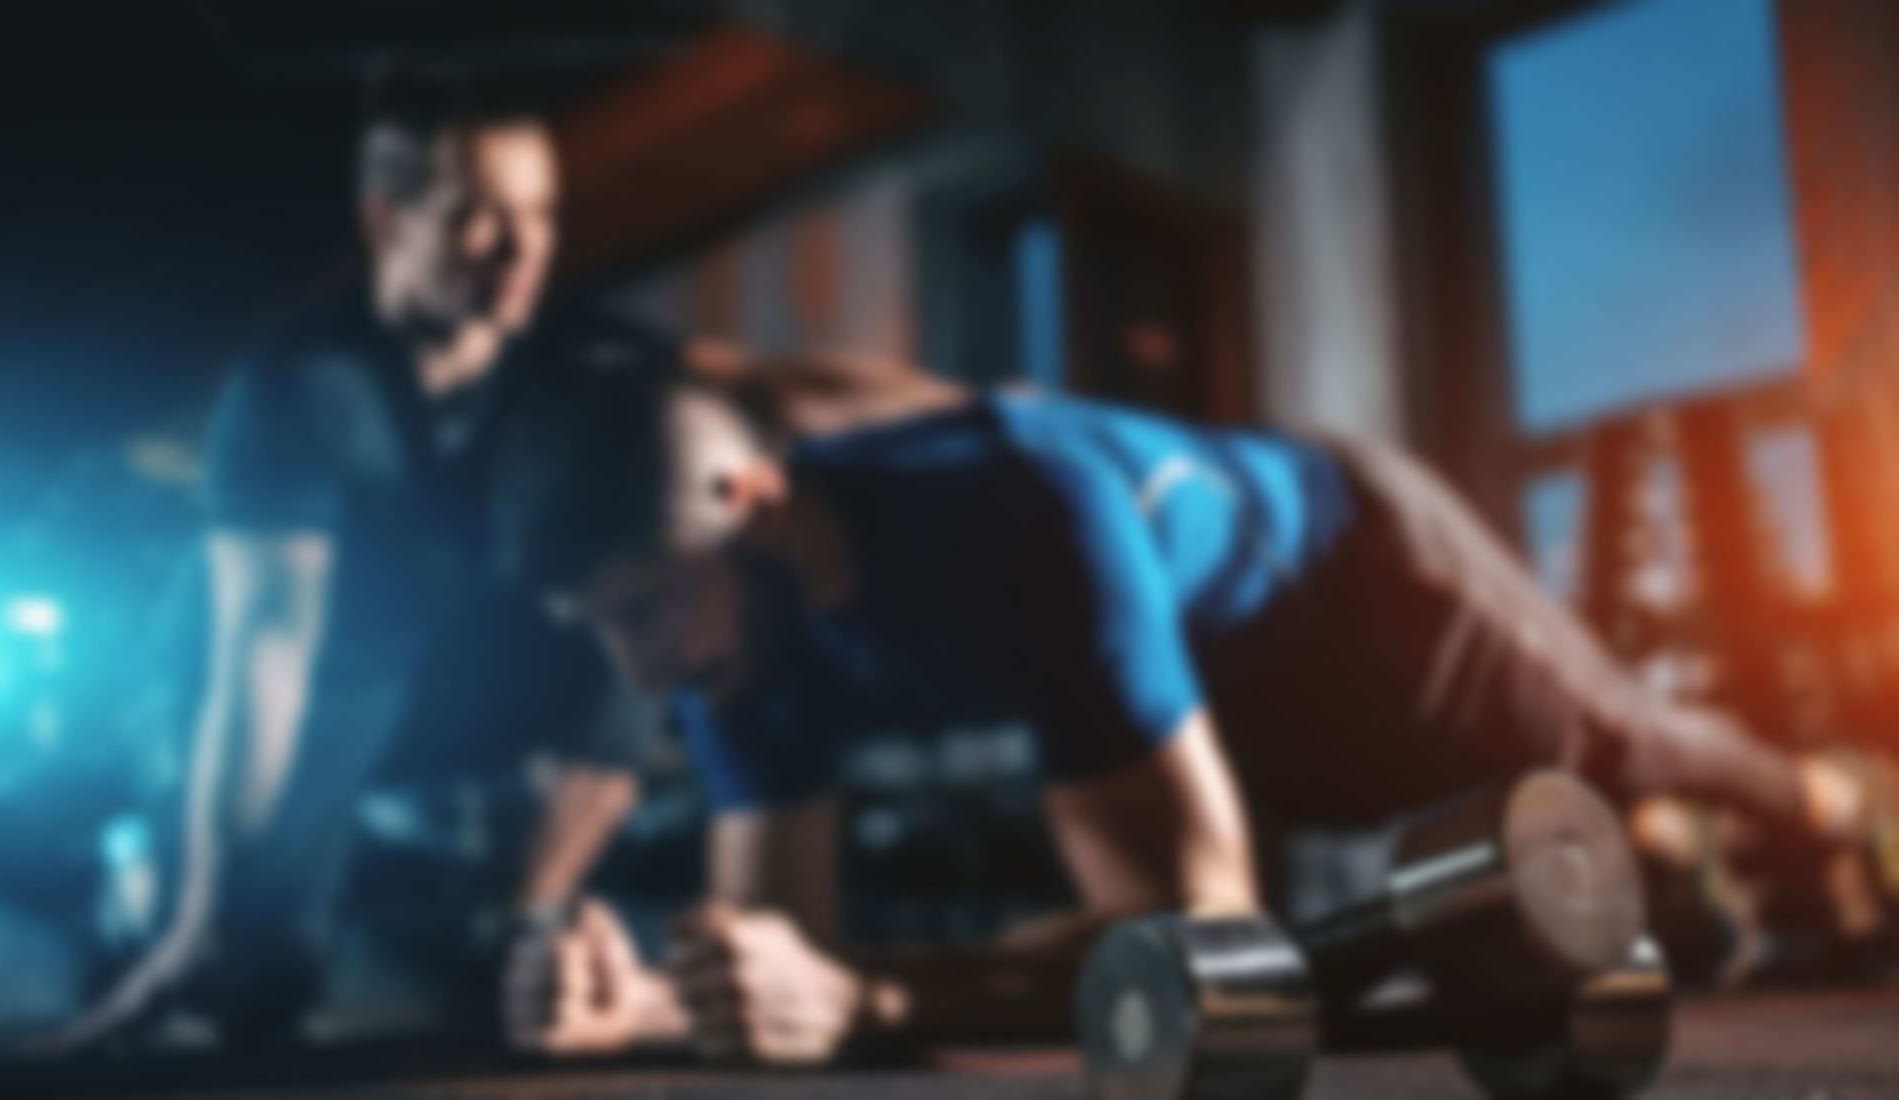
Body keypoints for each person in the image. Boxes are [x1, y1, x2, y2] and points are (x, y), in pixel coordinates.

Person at [487, 332, 1890, 1064]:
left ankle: (1843, 800)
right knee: (1601, 924)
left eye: (641, 612)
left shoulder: (1021, 512)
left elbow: (1197, 941)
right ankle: (1679, 868)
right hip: (1224, 695)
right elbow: (783, 950)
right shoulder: (731, 635)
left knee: (1629, 744)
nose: (640, 673)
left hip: (1368, 582)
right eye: (599, 631)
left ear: (756, 509)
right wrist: (662, 1001)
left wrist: (870, 1003)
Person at [56, 71, 647, 1049]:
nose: (521, 247)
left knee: (622, 634)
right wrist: (199, 916)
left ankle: (508, 929)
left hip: (432, 664)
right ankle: (142, 887)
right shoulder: (298, 384)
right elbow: (267, 659)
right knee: (254, 985)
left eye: (541, 212)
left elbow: (756, 391)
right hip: (284, 680)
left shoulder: (572, 358)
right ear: (387, 221)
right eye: (476, 217)